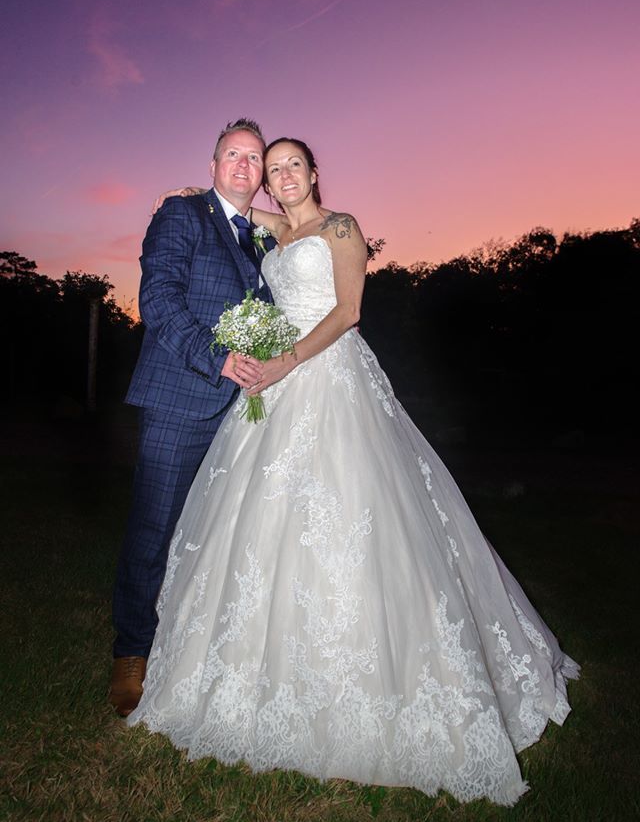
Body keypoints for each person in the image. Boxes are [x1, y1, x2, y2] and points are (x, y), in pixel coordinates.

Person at [128, 137, 579, 805]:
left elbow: (348, 312)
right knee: (260, 524)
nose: (280, 175)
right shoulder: (272, 228)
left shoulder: (341, 227)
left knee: (353, 514)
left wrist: (287, 362)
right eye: (270, 167)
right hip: (275, 387)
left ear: (314, 172)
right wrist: (192, 195)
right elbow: (225, 210)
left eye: (291, 165)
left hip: (329, 375)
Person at [110, 118, 277, 717]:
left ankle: (189, 645)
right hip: (180, 399)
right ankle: (132, 653)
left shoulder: (263, 236)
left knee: (214, 537)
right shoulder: (182, 215)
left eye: (254, 158)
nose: (243, 164)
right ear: (211, 166)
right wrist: (218, 359)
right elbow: (157, 299)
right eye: (232, 154)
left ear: (261, 177)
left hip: (244, 414)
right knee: (154, 530)